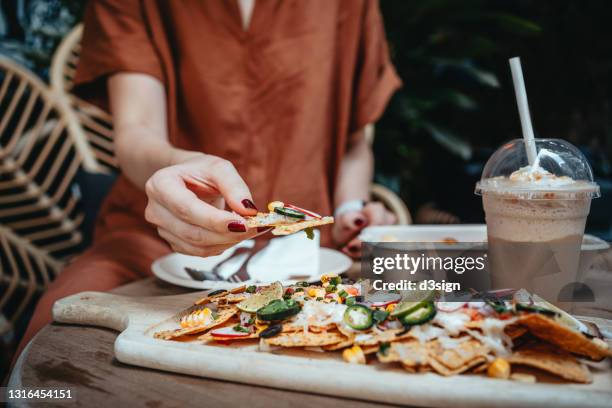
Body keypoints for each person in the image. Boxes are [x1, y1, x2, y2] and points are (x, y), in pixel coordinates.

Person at [16, 0, 402, 356]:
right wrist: (176, 175)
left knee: (446, 291)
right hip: (158, 240)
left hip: (314, 255)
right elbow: (136, 132)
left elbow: (354, 141)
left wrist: (352, 209)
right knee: (54, 336)